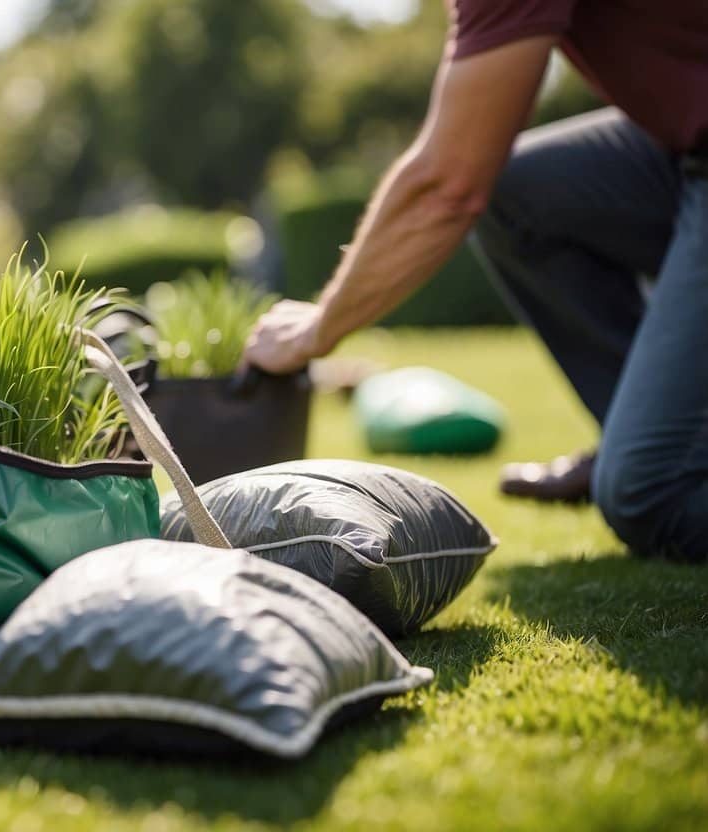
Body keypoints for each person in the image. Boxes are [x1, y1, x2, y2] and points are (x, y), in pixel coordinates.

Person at [242, 0, 708, 563]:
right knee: (518, 195)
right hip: (683, 152)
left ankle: (664, 467)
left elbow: (449, 181)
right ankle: (655, 441)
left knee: (650, 493)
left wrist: (316, 329)